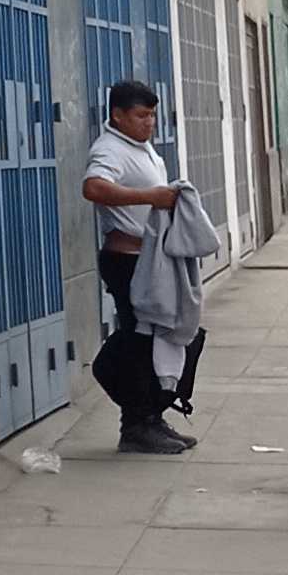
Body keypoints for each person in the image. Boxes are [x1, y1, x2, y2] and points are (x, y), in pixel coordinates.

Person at [82, 75, 195, 453]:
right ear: (118, 115)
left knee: (155, 336)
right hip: (126, 260)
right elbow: (94, 187)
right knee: (137, 339)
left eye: (152, 116)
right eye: (141, 116)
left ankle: (151, 417)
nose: (150, 123)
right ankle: (135, 423)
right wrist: (149, 196)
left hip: (150, 258)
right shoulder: (109, 149)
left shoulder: (143, 148)